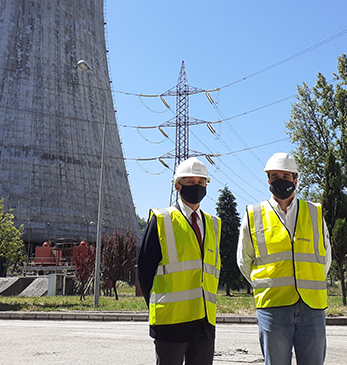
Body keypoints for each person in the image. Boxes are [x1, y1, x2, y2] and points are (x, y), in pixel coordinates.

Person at [237, 152, 331, 365]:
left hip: (311, 307)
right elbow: (244, 261)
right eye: (276, 176)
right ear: (268, 180)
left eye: (286, 176)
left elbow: (325, 257)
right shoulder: (254, 214)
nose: (281, 180)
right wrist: (266, 285)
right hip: (273, 307)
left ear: (295, 180)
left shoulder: (314, 212)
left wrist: (308, 282)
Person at [138, 157, 222, 365]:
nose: (196, 186)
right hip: (171, 323)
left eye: (200, 182)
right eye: (190, 182)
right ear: (177, 186)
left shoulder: (213, 224)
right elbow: (145, 272)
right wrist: (159, 307)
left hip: (204, 323)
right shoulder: (162, 220)